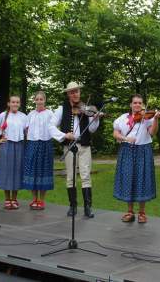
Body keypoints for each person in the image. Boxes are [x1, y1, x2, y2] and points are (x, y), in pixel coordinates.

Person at [113, 94, 160, 224]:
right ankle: (129, 212)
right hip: (127, 150)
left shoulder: (147, 118)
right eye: (135, 103)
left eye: (140, 103)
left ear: (143, 105)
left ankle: (142, 213)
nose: (137, 105)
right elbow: (116, 133)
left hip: (143, 150)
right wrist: (125, 138)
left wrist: (156, 119)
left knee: (142, 180)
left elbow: (152, 132)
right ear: (130, 104)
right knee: (128, 180)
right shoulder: (122, 118)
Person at [54, 82, 100, 218]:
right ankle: (72, 206)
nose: (75, 94)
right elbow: (51, 125)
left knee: (86, 175)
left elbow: (92, 129)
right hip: (69, 146)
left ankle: (87, 207)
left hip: (85, 145)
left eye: (77, 91)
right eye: (72, 92)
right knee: (71, 177)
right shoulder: (61, 109)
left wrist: (96, 119)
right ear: (68, 94)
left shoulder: (86, 108)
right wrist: (63, 136)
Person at [22, 91, 74, 210]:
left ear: (45, 100)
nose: (39, 101)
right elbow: (25, 129)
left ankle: (42, 200)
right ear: (34, 100)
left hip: (45, 145)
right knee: (32, 171)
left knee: (43, 171)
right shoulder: (30, 114)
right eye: (37, 99)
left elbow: (54, 128)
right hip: (32, 144)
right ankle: (34, 199)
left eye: (41, 99)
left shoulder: (50, 114)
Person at [0, 95, 27, 210]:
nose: (15, 104)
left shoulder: (23, 117)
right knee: (7, 171)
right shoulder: (2, 116)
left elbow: (26, 131)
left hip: (19, 146)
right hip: (6, 145)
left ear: (19, 104)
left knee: (17, 171)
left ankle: (14, 199)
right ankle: (7, 199)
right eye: (13, 102)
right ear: (9, 104)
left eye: (17, 102)